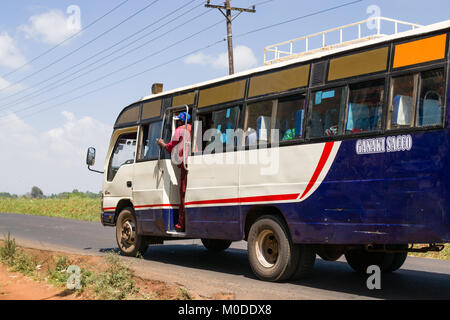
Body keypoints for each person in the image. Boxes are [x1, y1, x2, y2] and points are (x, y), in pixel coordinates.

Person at [157, 112, 191, 232]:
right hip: (193, 164)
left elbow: (171, 146)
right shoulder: (193, 129)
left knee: (183, 195)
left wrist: (162, 144)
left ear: (181, 121)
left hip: (184, 165)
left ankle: (181, 224)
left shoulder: (179, 130)